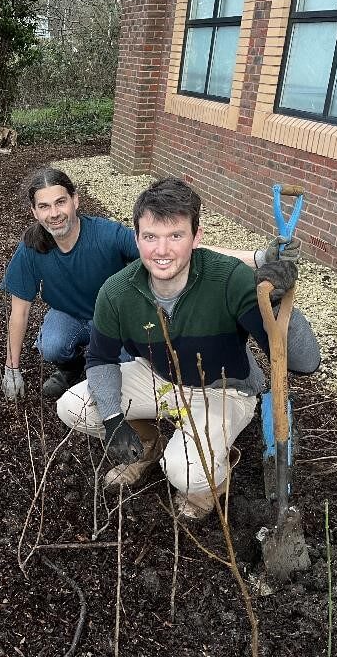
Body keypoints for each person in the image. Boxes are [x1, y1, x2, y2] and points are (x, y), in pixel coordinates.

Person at [56, 177, 321, 519]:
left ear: (196, 237)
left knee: (183, 471)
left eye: (175, 236)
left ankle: (209, 478)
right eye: (150, 237)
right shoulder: (117, 292)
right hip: (161, 378)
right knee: (74, 407)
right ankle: (147, 447)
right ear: (136, 238)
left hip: (225, 389)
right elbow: (100, 358)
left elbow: (304, 362)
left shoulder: (229, 279)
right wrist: (112, 419)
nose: (161, 251)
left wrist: (278, 300)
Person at [0, 167, 298, 400]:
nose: (54, 213)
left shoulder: (105, 235)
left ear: (75, 200)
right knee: (52, 344)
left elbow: (174, 249)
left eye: (61, 202)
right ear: (34, 211)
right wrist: (12, 369)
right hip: (70, 316)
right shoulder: (32, 248)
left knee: (133, 363)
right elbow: (20, 311)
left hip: (115, 319)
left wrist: (259, 258)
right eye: (44, 206)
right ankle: (71, 366)